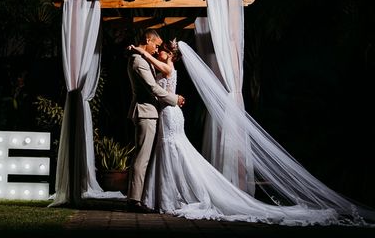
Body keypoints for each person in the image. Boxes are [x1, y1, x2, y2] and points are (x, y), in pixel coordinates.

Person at [131, 40, 375, 226]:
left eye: (161, 50)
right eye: (158, 50)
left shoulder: (168, 66)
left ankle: (171, 196)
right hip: (168, 113)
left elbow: (155, 68)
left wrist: (141, 50)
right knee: (170, 152)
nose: (158, 52)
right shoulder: (165, 67)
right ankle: (163, 196)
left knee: (174, 151)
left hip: (170, 114)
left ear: (170, 54)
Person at [125, 29, 185, 213]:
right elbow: (153, 88)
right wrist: (175, 99)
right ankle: (134, 200)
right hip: (145, 113)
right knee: (142, 157)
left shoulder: (143, 59)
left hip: (153, 113)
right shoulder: (138, 61)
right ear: (147, 39)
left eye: (160, 47)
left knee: (148, 157)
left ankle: (142, 196)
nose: (156, 49)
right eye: (155, 45)